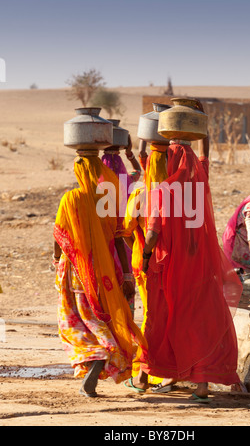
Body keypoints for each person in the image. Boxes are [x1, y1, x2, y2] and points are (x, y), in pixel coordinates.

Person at [125, 141, 243, 402]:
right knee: (198, 323)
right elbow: (204, 158)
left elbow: (153, 232)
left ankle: (144, 377)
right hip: (200, 268)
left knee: (159, 321)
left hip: (169, 271)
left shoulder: (162, 192)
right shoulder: (200, 184)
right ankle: (201, 387)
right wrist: (201, 134)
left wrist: (145, 258)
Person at [53, 153, 146, 397]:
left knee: (77, 319)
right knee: (101, 315)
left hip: (76, 271)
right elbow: (118, 240)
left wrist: (56, 260)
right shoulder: (108, 201)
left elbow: (59, 236)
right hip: (106, 270)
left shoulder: (70, 198)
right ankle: (103, 353)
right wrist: (126, 275)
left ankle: (98, 354)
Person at [122, 139, 169, 391]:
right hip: (176, 263)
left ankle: (143, 376)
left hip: (147, 262)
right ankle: (171, 373)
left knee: (151, 316)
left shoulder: (142, 193)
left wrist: (140, 249)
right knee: (172, 314)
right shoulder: (182, 191)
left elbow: (126, 228)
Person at [101, 135, 142, 316]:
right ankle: (128, 324)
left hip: (103, 243)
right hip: (125, 244)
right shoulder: (128, 181)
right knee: (127, 285)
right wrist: (129, 153)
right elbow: (137, 170)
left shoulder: (98, 184)